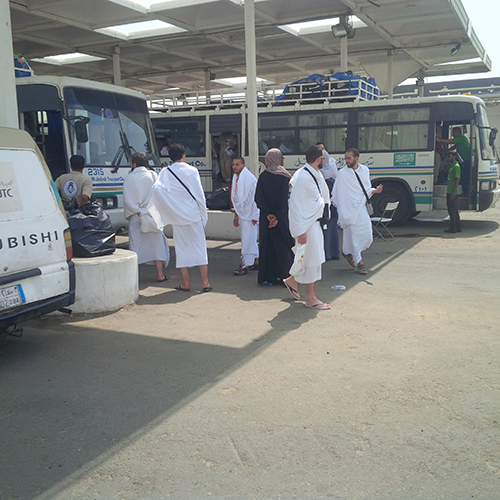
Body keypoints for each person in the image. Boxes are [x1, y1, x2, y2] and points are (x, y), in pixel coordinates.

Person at [148, 143, 212, 292]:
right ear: (183, 155)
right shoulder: (192, 171)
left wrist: (170, 207)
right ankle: (205, 283)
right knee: (200, 249)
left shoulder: (165, 172)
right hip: (193, 215)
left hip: (178, 217)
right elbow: (199, 195)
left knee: (182, 250)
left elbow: (156, 189)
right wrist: (204, 214)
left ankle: (186, 283)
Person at [284, 145, 331, 310]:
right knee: (311, 260)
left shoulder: (309, 174)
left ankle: (292, 281)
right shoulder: (304, 177)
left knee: (312, 259)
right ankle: (310, 298)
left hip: (311, 224)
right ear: (319, 159)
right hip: (306, 226)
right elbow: (296, 206)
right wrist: (300, 231)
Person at [332, 148, 383, 275]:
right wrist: (344, 209)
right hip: (348, 209)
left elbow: (365, 189)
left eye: (349, 158)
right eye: (345, 158)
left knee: (366, 234)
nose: (347, 161)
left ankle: (348, 253)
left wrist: (374, 191)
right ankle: (360, 262)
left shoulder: (365, 170)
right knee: (354, 236)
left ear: (356, 158)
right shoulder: (343, 173)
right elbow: (338, 193)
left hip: (360, 207)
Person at [123, 153, 170, 282]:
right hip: (152, 216)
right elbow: (160, 194)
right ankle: (160, 274)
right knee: (157, 245)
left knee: (136, 246)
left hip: (136, 216)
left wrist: (138, 211)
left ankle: (134, 278)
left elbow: (128, 200)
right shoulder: (153, 175)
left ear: (134, 164)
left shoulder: (129, 178)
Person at [254, 148, 294, 286]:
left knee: (267, 246)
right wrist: (276, 217)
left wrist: (268, 215)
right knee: (283, 247)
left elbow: (258, 198)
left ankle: (268, 277)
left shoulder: (263, 176)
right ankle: (285, 277)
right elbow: (283, 200)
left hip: (266, 219)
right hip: (281, 219)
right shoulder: (285, 176)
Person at [231, 156, 259, 275]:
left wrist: (254, 216)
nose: (235, 167)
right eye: (233, 164)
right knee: (248, 238)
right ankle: (256, 261)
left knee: (248, 239)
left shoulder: (249, 178)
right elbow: (237, 198)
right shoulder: (235, 177)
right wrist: (236, 215)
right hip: (243, 213)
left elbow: (255, 199)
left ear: (243, 165)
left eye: (237, 164)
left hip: (251, 213)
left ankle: (246, 264)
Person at [316, 142, 340, 260]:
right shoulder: (316, 170)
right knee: (324, 226)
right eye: (319, 150)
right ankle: (326, 253)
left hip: (331, 199)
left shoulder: (331, 164)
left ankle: (333, 253)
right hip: (323, 202)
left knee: (331, 226)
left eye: (323, 149)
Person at [436, 126, 470, 194]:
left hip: (466, 160)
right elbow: (453, 147)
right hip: (465, 160)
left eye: (453, 132)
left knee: (463, 176)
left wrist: (439, 140)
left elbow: (450, 141)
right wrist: (446, 150)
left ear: (457, 132)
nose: (452, 134)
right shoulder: (460, 139)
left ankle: (465, 192)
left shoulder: (460, 138)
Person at [444, 151, 462, 233]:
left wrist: (453, 193)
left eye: (450, 156)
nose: (448, 157)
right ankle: (458, 227)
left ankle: (453, 228)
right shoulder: (451, 166)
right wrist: (446, 159)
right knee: (454, 210)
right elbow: (444, 164)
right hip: (450, 191)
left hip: (453, 192)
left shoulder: (456, 167)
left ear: (454, 156)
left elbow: (457, 180)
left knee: (452, 211)